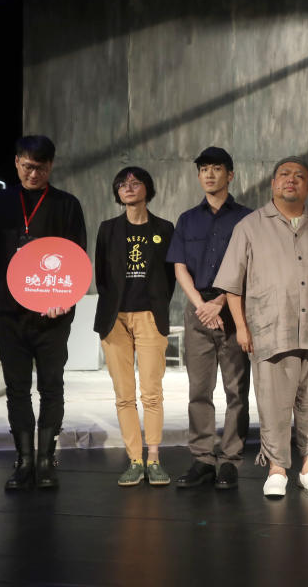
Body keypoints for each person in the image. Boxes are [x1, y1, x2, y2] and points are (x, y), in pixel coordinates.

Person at [213, 157, 308, 497]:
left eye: (300, 176)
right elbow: (232, 284)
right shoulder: (250, 226)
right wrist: (241, 327)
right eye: (284, 175)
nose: (291, 180)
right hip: (270, 328)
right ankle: (278, 468)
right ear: (273, 184)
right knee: (272, 403)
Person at [0, 135, 87, 490]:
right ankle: (24, 459)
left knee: (52, 387)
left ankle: (46, 460)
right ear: (16, 163)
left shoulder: (67, 205)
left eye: (40, 168)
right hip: (10, 313)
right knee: (16, 389)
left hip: (52, 314)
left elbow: (77, 258)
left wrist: (68, 297)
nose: (33, 173)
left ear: (51, 166)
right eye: (27, 166)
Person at [166, 147, 251, 490]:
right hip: (198, 310)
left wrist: (219, 302)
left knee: (236, 390)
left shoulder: (247, 218)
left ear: (230, 175)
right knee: (199, 390)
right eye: (204, 169)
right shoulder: (188, 218)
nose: (210, 175)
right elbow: (179, 265)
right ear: (199, 176)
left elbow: (249, 268)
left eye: (217, 169)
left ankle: (230, 460)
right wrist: (201, 303)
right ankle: (202, 458)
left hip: (233, 309)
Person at [93, 167, 175, 487]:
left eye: (134, 182)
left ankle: (153, 458)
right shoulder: (107, 229)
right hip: (116, 319)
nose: (128, 187)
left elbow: (168, 278)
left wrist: (155, 308)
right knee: (124, 395)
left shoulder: (164, 229)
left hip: (150, 317)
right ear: (117, 193)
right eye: (122, 184)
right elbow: (102, 276)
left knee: (152, 393)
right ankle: (134, 459)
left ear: (147, 189)